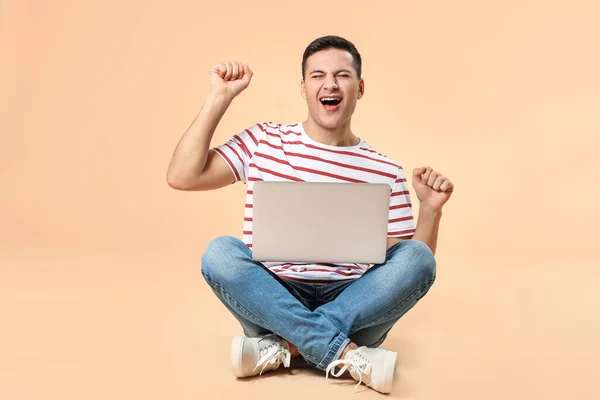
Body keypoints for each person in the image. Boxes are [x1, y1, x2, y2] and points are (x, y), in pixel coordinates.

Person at [166, 35, 454, 394]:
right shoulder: (264, 141)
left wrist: (430, 209)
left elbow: (408, 267)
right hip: (271, 296)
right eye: (317, 75)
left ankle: (285, 347)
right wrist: (219, 98)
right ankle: (342, 352)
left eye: (342, 75)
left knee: (418, 258)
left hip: (353, 304)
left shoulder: (384, 169)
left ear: (360, 87)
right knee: (220, 252)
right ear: (303, 88)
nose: (329, 84)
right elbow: (182, 176)